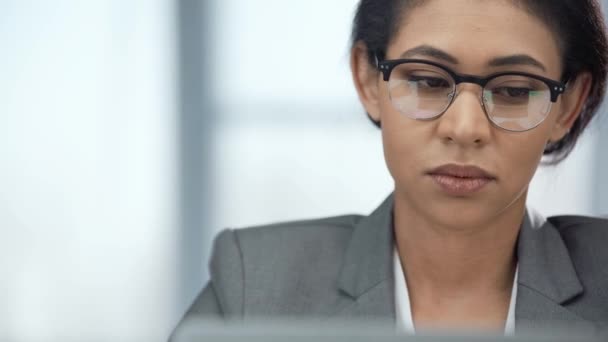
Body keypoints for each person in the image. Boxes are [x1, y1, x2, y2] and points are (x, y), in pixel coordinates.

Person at [172, 0, 608, 337]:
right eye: (428, 82)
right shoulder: (257, 286)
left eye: (513, 90)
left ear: (567, 104)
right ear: (367, 80)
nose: (465, 128)